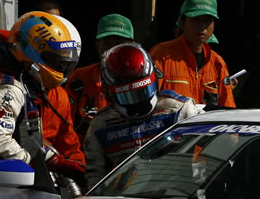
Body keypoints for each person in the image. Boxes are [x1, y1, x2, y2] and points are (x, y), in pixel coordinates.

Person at [0, 11, 86, 190]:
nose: (61, 68)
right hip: (5, 187)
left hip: (28, 186)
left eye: (65, 63)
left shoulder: (30, 84)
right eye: (55, 60)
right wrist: (42, 161)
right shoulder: (9, 89)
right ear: (31, 52)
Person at [83, 43, 199, 187]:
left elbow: (208, 159)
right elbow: (95, 175)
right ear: (108, 93)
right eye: (127, 96)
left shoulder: (179, 110)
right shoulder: (100, 125)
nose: (136, 102)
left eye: (141, 91)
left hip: (178, 198)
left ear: (154, 78)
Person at [151, 0, 236, 108]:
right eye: (196, 20)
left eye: (207, 21)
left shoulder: (217, 63)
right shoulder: (160, 55)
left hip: (207, 126)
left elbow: (228, 109)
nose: (202, 27)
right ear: (182, 23)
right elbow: (147, 104)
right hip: (172, 126)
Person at [67, 14, 136, 130]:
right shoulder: (79, 78)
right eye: (108, 43)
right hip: (86, 146)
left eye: (118, 43)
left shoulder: (142, 79)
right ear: (97, 44)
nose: (112, 49)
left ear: (132, 45)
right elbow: (65, 123)